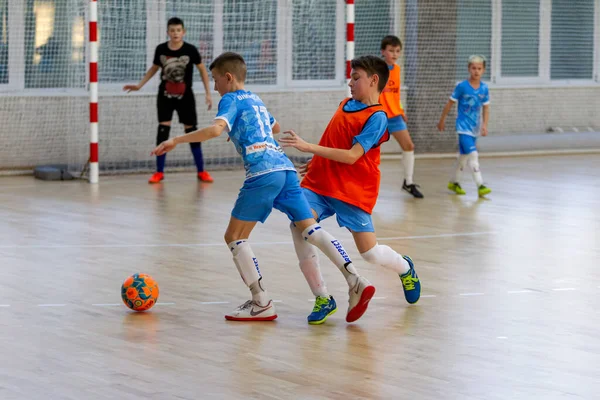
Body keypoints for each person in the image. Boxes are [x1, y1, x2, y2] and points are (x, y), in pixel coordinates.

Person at [152, 52, 375, 324]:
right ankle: (355, 278)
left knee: (234, 236)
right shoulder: (255, 99)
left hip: (262, 173)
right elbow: (275, 127)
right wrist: (244, 131)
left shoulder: (230, 99)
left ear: (228, 77)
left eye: (215, 80)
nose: (215, 87)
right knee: (311, 229)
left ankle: (261, 302)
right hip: (285, 169)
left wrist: (175, 140)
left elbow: (213, 131)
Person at [279, 55, 421, 308]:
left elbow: (354, 155)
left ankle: (404, 267)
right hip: (321, 183)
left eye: (356, 78)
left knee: (370, 253)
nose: (350, 83)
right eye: (350, 77)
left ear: (374, 80)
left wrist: (309, 147)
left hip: (353, 191)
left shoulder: (377, 117)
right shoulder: (345, 103)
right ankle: (323, 297)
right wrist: (319, 161)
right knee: (299, 225)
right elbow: (336, 141)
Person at [124, 17, 214, 184]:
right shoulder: (161, 49)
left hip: (186, 97)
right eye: (172, 30)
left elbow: (202, 71)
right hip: (165, 96)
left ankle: (201, 171)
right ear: (168, 32)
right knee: (163, 131)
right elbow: (153, 69)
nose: (175, 33)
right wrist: (139, 85)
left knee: (192, 131)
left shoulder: (191, 50)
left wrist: (208, 93)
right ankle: (159, 172)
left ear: (183, 32)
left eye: (178, 30)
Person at [438, 55, 491, 197]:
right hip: (463, 127)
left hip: (474, 128)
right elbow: (450, 103)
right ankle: (480, 185)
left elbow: (486, 108)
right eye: (474, 68)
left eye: (479, 68)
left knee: (464, 157)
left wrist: (484, 125)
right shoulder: (462, 86)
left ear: (483, 70)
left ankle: (454, 183)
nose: (476, 71)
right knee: (473, 154)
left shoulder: (484, 89)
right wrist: (442, 119)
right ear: (469, 69)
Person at [379, 35, 423, 198]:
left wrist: (401, 110)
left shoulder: (397, 69)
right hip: (379, 116)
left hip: (395, 116)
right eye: (391, 51)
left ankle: (408, 182)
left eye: (397, 51)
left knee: (409, 146)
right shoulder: (376, 69)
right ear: (383, 51)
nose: (395, 54)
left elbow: (395, 95)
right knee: (369, 152)